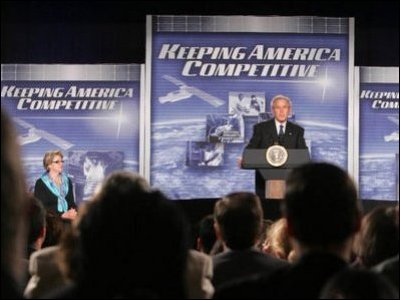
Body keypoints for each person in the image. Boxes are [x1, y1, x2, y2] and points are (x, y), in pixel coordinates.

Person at [242, 94, 307, 199]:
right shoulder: (260, 128)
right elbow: (249, 153)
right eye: (278, 107)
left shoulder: (298, 130)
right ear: (273, 110)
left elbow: (303, 157)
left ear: (289, 110)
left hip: (290, 185)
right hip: (264, 184)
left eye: (284, 107)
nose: (281, 111)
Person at [34, 150, 77, 220]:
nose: (61, 164)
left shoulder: (67, 181)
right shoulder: (40, 183)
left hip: (68, 222)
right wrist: (62, 216)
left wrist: (74, 211)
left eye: (62, 161)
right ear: (49, 165)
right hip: (50, 224)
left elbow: (71, 203)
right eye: (57, 162)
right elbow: (41, 209)